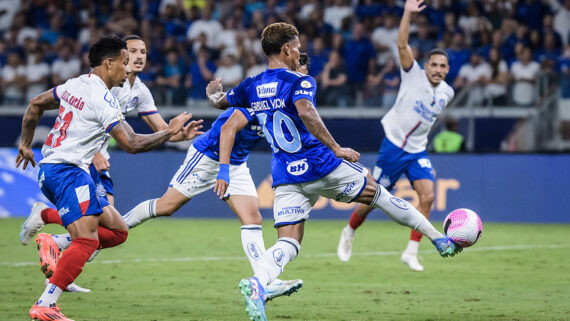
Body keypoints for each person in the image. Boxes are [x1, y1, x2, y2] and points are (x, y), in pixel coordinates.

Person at [207, 20, 460, 321]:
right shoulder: (301, 80)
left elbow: (223, 102)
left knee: (289, 242)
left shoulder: (252, 85)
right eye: (298, 47)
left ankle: (257, 284)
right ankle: (437, 238)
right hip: (320, 164)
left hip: (286, 175)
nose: (300, 52)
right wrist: (337, 148)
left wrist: (214, 94)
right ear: (287, 49)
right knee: (377, 193)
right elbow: (306, 111)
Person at [16, 35, 194, 321]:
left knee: (118, 232)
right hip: (68, 172)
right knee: (86, 241)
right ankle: (45, 304)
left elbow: (35, 105)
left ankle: (53, 240)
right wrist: (169, 132)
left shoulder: (75, 83)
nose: (127, 69)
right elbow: (132, 144)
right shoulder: (104, 99)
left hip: (56, 169)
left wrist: (26, 144)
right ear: (108, 63)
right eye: (124, 62)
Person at [120, 55, 314, 305]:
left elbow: (225, 102)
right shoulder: (262, 93)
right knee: (166, 207)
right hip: (209, 156)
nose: (302, 79)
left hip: (236, 162)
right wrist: (222, 170)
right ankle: (110, 228)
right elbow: (227, 129)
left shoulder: (287, 100)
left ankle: (263, 282)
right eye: (299, 72)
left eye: (305, 74)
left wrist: (215, 95)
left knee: (252, 218)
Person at [336, 0, 456, 272]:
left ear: (447, 70)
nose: (438, 70)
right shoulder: (413, 75)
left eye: (443, 66)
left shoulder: (447, 92)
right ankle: (350, 230)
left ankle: (411, 251)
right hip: (392, 147)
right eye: (434, 65)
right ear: (425, 66)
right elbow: (402, 45)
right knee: (370, 199)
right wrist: (407, 12)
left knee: (427, 196)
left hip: (417, 152)